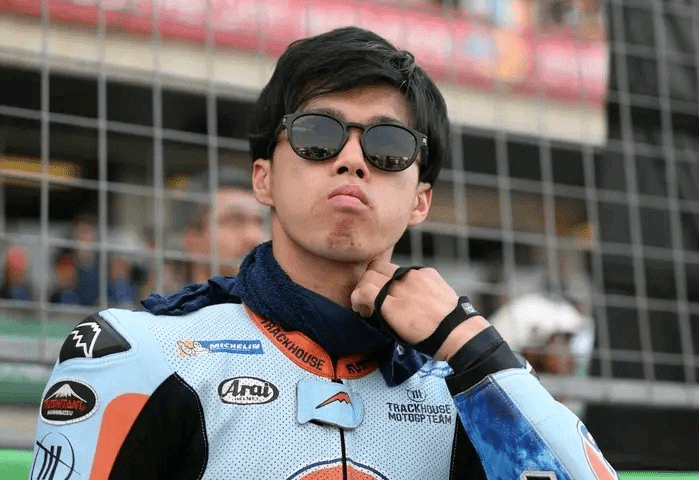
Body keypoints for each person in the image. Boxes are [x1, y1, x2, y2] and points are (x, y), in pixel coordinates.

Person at [30, 27, 617, 480]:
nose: (353, 161)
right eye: (317, 135)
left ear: (420, 200)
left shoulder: (459, 383)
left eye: (388, 146)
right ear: (263, 178)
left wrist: (472, 345)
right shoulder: (140, 353)